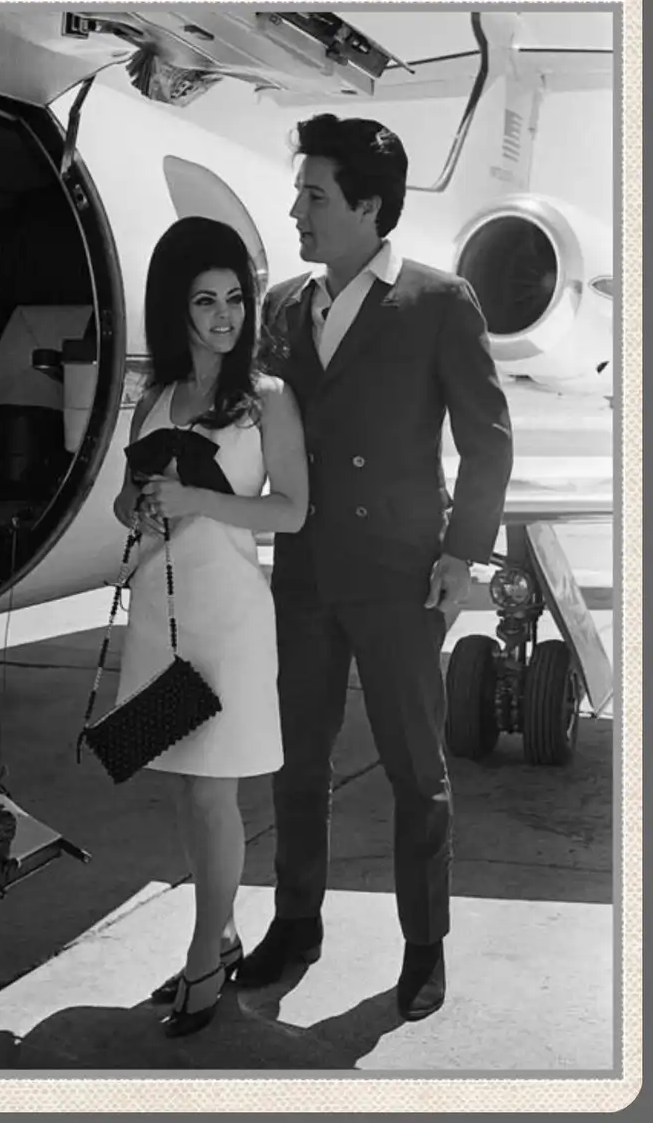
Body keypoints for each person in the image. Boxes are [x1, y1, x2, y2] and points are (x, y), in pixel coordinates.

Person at [236, 113, 514, 1021]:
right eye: (299, 194)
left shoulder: (439, 301)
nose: (297, 212)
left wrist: (462, 553)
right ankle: (296, 923)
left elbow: (487, 443)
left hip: (400, 576)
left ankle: (424, 944)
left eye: (314, 197)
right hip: (305, 571)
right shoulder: (284, 306)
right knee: (296, 764)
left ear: (367, 206)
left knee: (414, 769)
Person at [112, 217, 308, 1038]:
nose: (225, 316)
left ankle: (202, 957)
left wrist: (195, 499)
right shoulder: (155, 398)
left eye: (235, 298)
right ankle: (220, 934)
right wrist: (143, 506)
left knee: (211, 788)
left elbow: (291, 511)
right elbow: (122, 502)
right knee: (183, 786)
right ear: (175, 306)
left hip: (229, 619)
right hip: (162, 614)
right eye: (205, 300)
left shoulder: (267, 399)